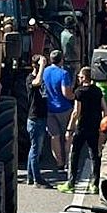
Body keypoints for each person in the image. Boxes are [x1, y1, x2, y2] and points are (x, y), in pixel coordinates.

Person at [62, 66, 107, 193]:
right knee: (94, 154)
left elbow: (76, 111)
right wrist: (102, 125)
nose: (78, 78)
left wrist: (70, 128)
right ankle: (95, 184)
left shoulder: (79, 92)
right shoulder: (97, 91)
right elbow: (104, 108)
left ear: (83, 78)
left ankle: (71, 183)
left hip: (82, 127)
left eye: (79, 77)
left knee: (74, 154)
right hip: (95, 126)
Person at [41, 49, 74, 178]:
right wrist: (74, 96)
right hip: (63, 108)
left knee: (54, 136)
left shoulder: (45, 72)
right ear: (62, 60)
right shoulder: (63, 73)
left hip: (49, 109)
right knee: (68, 135)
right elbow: (66, 93)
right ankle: (67, 162)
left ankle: (59, 162)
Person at [26, 55, 51, 187]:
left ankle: (31, 177)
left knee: (34, 149)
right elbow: (37, 82)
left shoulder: (40, 78)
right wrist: (41, 66)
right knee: (36, 150)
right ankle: (37, 179)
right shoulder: (30, 78)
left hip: (41, 116)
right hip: (35, 118)